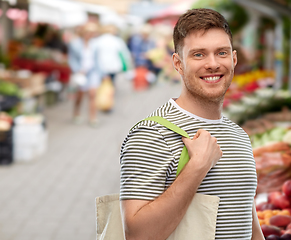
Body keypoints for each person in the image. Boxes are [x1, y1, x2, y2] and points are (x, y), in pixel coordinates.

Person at [120, 8, 264, 240]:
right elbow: (137, 235)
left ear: (234, 59)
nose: (213, 64)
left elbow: (246, 217)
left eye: (221, 53)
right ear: (178, 63)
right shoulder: (152, 133)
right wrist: (197, 168)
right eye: (198, 55)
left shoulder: (238, 135)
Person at [67, 22, 101, 127]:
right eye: (88, 32)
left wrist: (102, 73)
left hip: (92, 72)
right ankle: (76, 113)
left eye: (92, 32)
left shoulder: (95, 44)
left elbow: (97, 60)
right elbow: (71, 59)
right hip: (80, 73)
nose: (90, 34)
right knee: (80, 95)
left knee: (92, 94)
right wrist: (78, 70)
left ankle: (93, 118)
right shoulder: (75, 43)